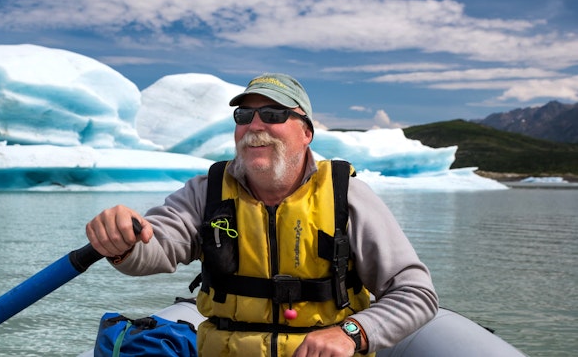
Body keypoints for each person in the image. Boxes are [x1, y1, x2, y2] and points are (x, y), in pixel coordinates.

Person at [86, 73, 438, 357]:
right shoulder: (205, 193)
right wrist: (124, 242)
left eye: (273, 115)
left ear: (307, 133)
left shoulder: (346, 197)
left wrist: (351, 333)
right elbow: (157, 246)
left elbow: (417, 294)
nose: (255, 125)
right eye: (244, 116)